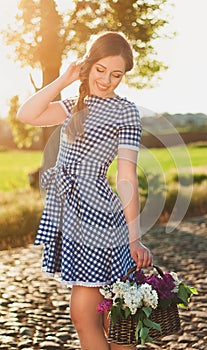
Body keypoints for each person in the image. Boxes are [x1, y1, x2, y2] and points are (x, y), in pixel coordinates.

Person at [17, 31, 153, 350]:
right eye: (100, 69)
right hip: (70, 212)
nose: (106, 80)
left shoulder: (125, 111)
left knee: (99, 313)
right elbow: (27, 114)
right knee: (95, 314)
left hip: (97, 212)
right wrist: (64, 79)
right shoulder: (72, 104)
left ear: (124, 76)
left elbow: (126, 176)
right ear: (88, 65)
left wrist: (134, 238)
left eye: (116, 74)